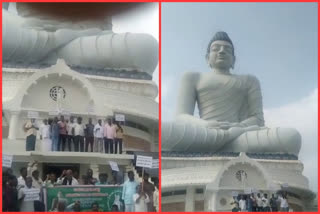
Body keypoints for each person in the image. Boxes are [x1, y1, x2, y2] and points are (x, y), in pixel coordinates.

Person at [161, 31, 301, 156]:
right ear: (207, 58)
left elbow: (257, 119)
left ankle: (222, 145)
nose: (222, 51)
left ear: (233, 60)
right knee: (162, 132)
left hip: (239, 134)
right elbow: (181, 117)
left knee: (291, 137)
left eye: (227, 49)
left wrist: (236, 128)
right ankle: (226, 146)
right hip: (205, 133)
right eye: (216, 49)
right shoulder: (193, 77)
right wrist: (204, 125)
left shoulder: (249, 81)